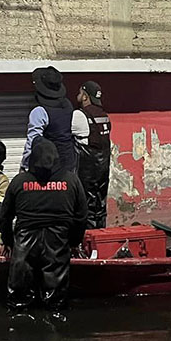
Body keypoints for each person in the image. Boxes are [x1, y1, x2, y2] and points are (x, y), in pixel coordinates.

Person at [1, 137, 88, 314]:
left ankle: (17, 332)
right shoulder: (71, 181)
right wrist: (72, 242)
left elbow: (5, 217)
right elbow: (81, 217)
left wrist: (9, 242)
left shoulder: (19, 181)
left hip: (25, 243)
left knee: (18, 303)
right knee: (56, 305)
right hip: (57, 242)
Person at [21, 66, 78, 175]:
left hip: (48, 168)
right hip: (69, 165)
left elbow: (32, 141)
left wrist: (25, 167)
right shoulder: (68, 106)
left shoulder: (39, 112)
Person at [72, 80, 112, 230]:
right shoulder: (105, 116)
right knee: (100, 208)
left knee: (84, 208)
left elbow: (61, 132)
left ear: (85, 96)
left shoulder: (79, 115)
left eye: (80, 92)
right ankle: (100, 236)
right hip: (103, 170)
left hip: (86, 173)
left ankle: (86, 241)